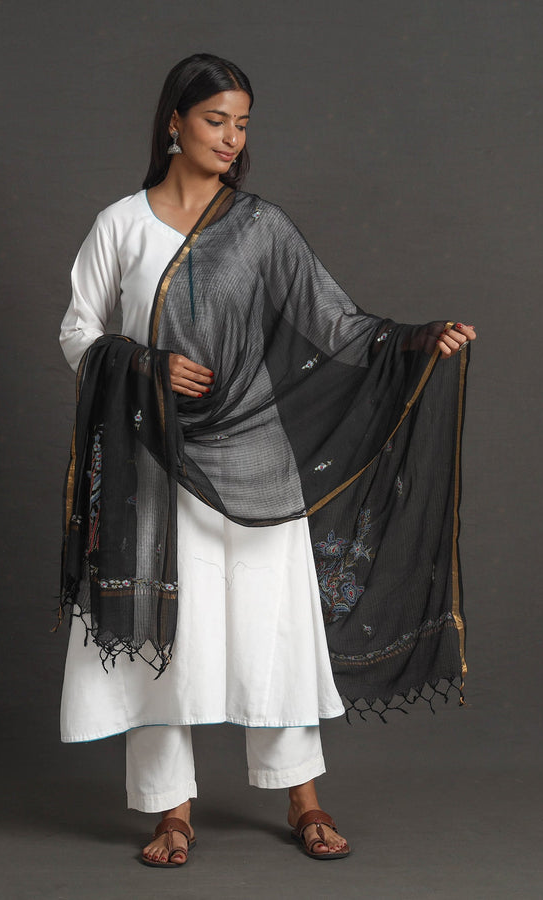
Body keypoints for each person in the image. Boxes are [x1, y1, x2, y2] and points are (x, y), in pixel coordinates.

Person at [57, 53, 476, 867]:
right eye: (215, 120)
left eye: (242, 124)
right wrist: (144, 363)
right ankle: (171, 809)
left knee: (275, 627)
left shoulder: (259, 227)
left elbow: (336, 322)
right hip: (156, 456)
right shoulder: (121, 225)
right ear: (174, 123)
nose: (231, 138)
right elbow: (78, 330)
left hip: (256, 462)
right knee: (164, 628)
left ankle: (302, 798)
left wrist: (415, 339)